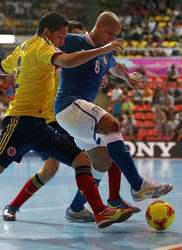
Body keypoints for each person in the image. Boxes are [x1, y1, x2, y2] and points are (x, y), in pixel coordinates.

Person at [0, 12, 134, 232]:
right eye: (60, 37)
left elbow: (2, 69)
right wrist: (104, 49)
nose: (63, 42)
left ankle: (100, 212)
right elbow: (68, 61)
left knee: (81, 160)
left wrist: (26, 73)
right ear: (46, 33)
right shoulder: (43, 47)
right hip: (21, 121)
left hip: (40, 124)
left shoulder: (23, 48)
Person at [2, 22, 140, 223]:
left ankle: (105, 201)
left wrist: (99, 74)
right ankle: (13, 206)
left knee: (104, 153)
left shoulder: (82, 60)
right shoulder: (54, 58)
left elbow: (101, 67)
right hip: (50, 120)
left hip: (69, 117)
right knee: (50, 170)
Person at [55, 11, 173, 205]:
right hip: (69, 105)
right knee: (111, 125)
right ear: (98, 26)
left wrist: (128, 78)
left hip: (78, 113)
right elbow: (46, 45)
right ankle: (138, 185)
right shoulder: (73, 41)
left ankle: (76, 208)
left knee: (102, 162)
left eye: (115, 35)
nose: (113, 39)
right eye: (110, 33)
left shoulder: (106, 51)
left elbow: (115, 66)